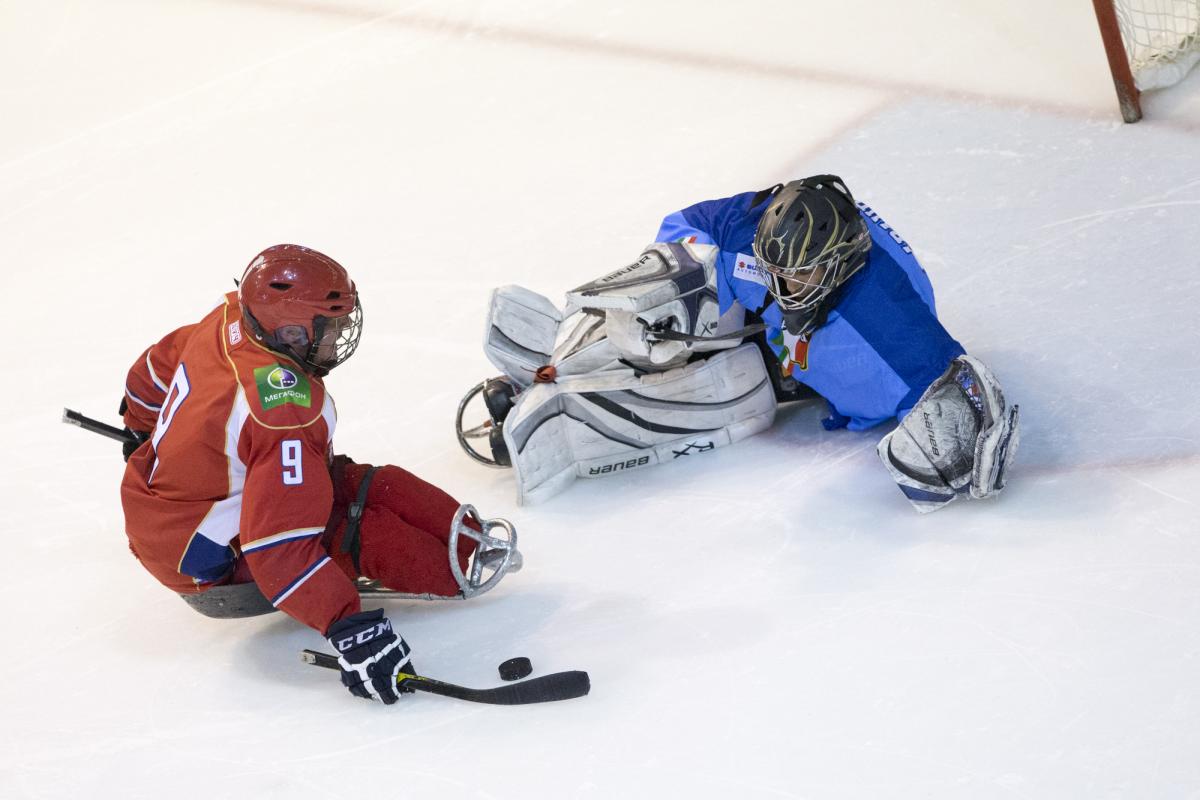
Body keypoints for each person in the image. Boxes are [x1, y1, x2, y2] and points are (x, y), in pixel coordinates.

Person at [458, 175, 1018, 512]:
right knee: (668, 300)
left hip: (820, 373)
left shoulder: (891, 329)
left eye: (796, 278)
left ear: (839, 265)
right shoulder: (753, 233)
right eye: (774, 269)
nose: (780, 285)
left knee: (735, 392)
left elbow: (966, 399)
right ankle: (567, 351)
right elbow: (686, 232)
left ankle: (585, 431)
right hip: (772, 330)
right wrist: (664, 303)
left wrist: (939, 458)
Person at [120, 244, 521, 704]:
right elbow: (277, 546)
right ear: (289, 330)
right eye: (329, 327)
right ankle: (452, 564)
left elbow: (154, 367)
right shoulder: (281, 411)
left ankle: (468, 543)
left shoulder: (232, 318)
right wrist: (348, 627)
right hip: (203, 555)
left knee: (371, 482)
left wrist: (140, 427)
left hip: (157, 501)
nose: (338, 338)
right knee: (363, 532)